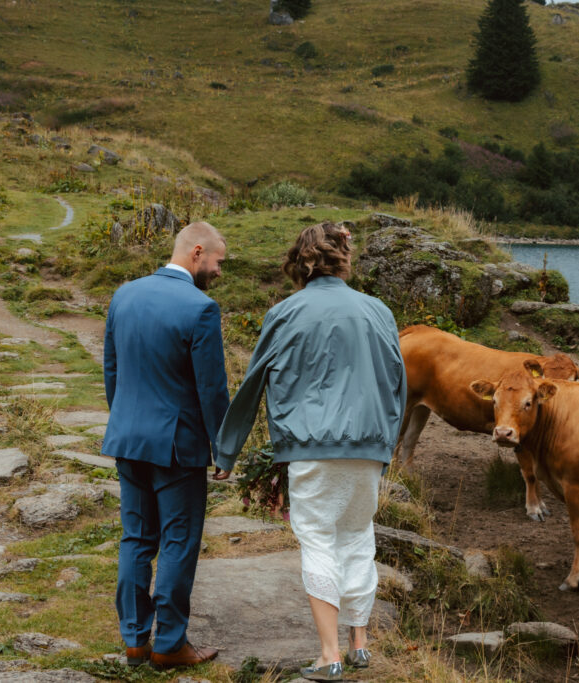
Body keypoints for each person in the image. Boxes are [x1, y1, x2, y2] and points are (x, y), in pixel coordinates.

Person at [215, 221, 405, 682]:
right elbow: (397, 384)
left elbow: (252, 383)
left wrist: (227, 451)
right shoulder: (378, 310)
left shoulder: (285, 312)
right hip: (369, 446)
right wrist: (386, 446)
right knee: (359, 536)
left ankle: (328, 654)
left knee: (318, 539)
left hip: (310, 446)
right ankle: (360, 642)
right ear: (342, 257)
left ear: (299, 262)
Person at [102, 221, 230, 670]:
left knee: (136, 539)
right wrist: (224, 449)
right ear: (197, 252)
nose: (218, 271)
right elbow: (212, 390)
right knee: (178, 541)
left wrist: (125, 421)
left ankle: (135, 641)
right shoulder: (200, 308)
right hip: (178, 447)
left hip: (127, 438)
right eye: (217, 261)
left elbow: (112, 371)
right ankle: (170, 644)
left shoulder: (124, 295)